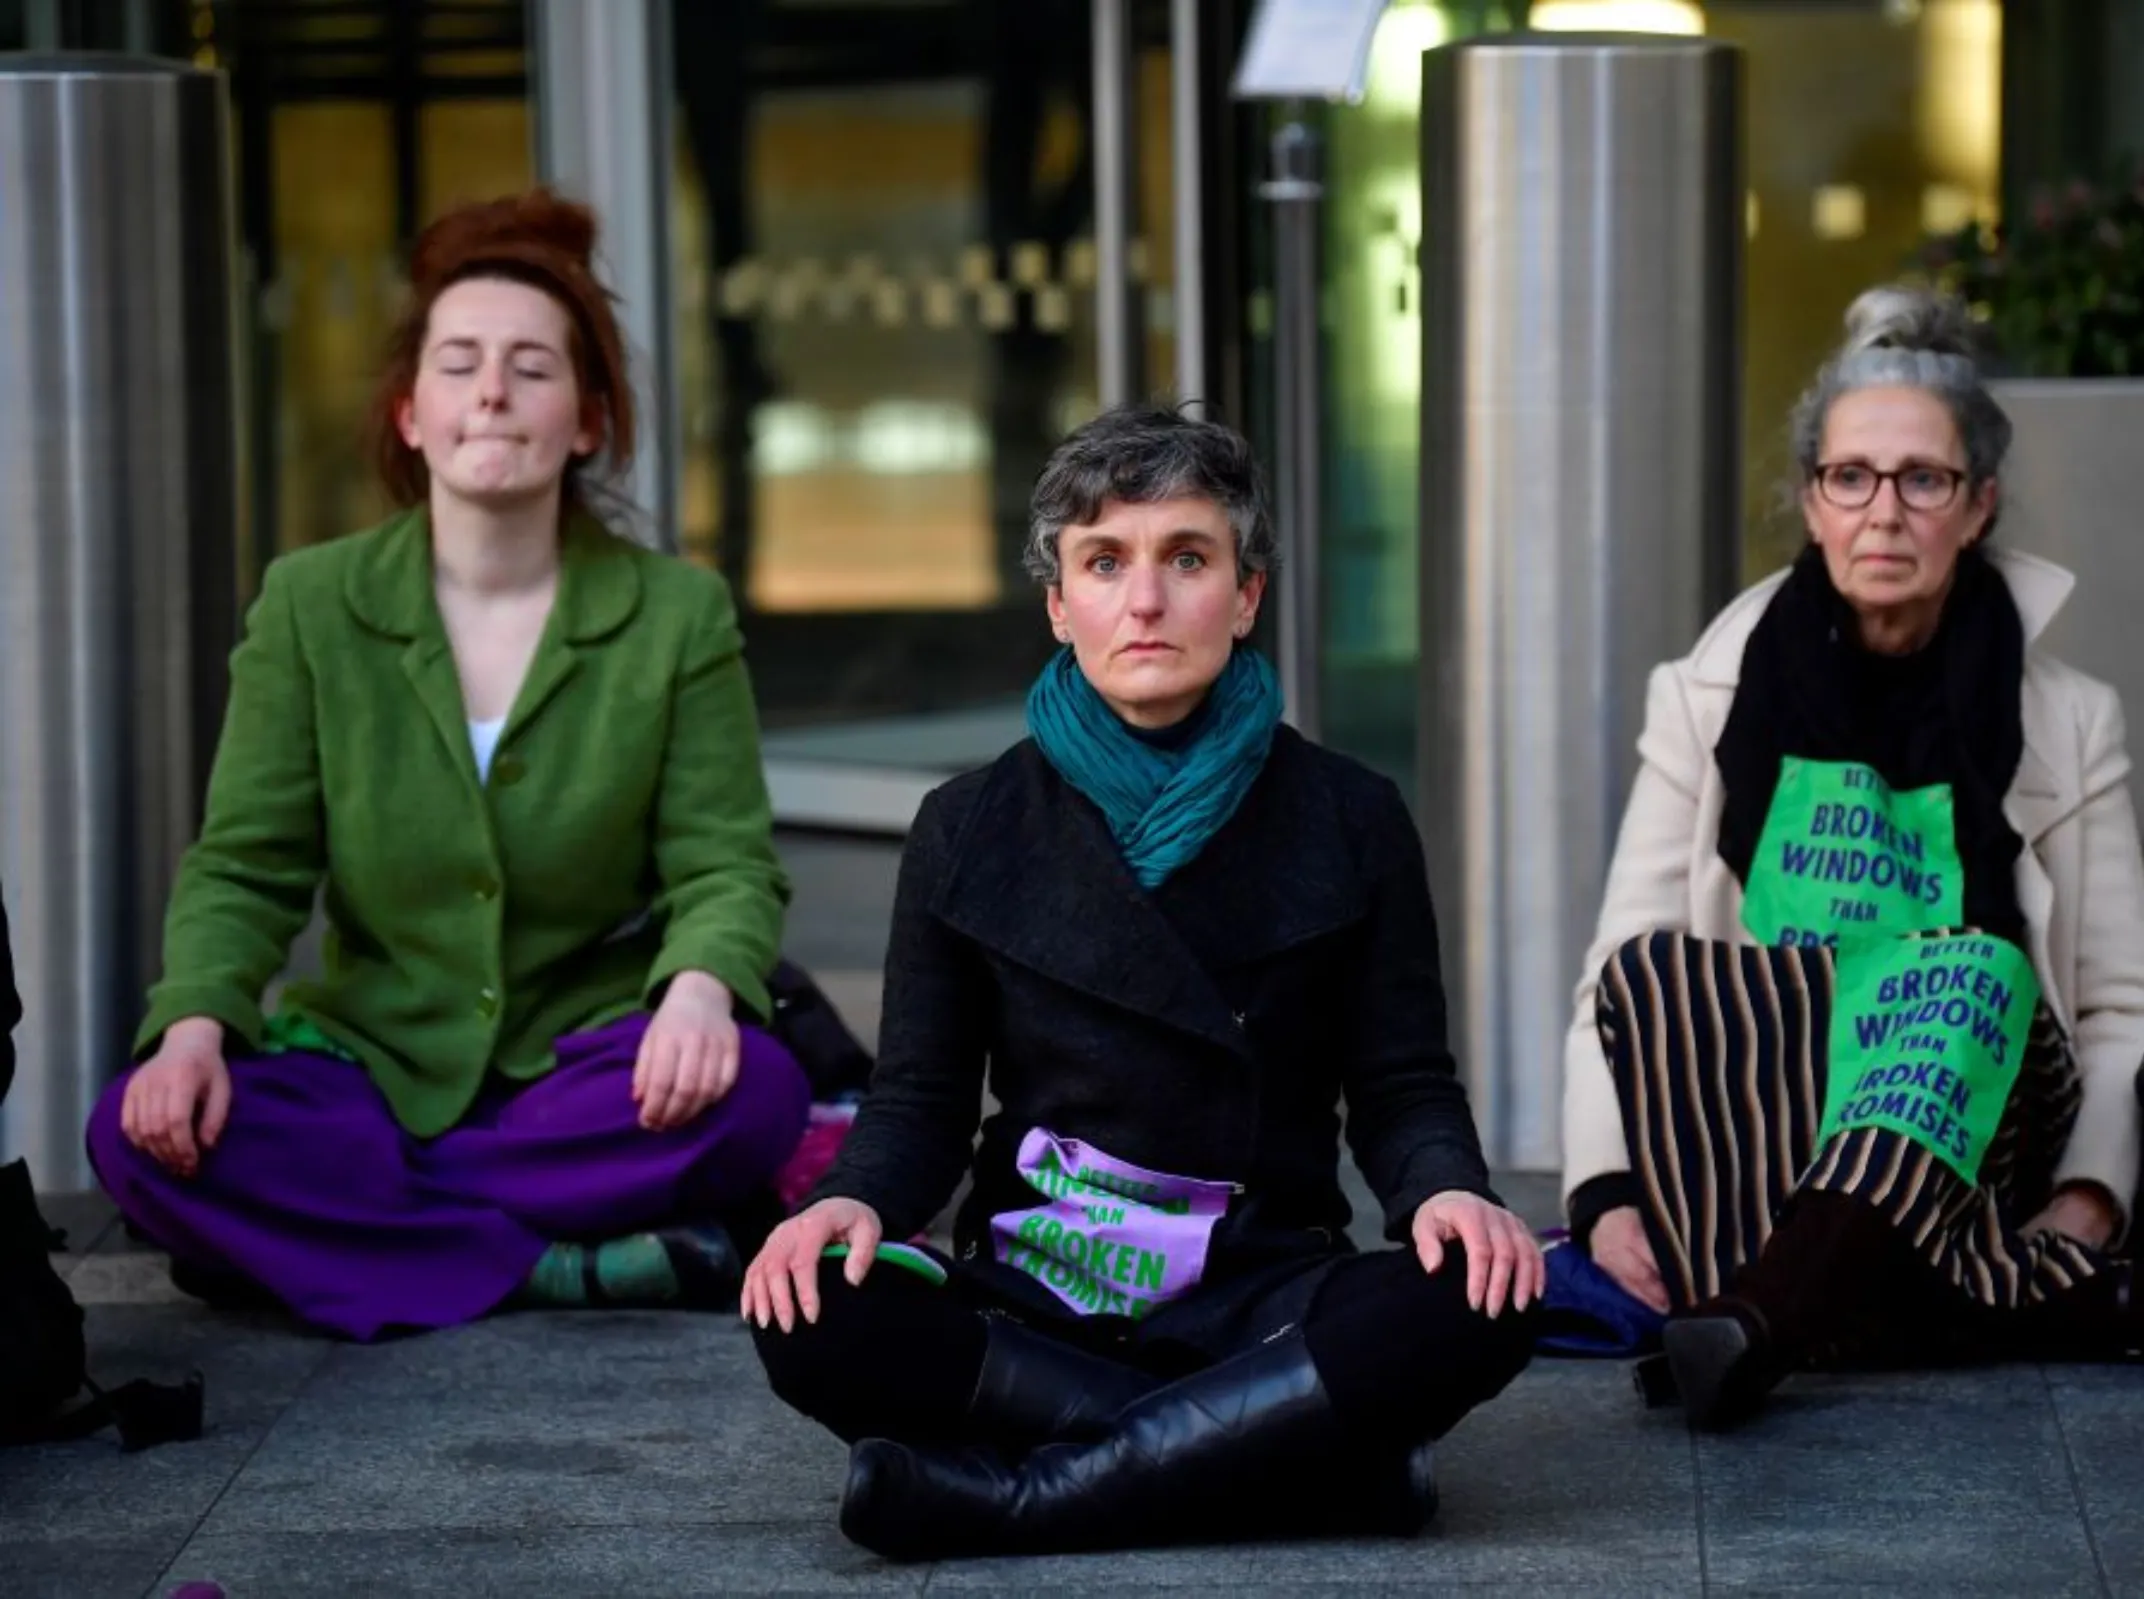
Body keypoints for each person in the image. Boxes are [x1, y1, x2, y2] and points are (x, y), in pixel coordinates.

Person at [742, 404, 1538, 1562]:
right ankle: (1316, 1471)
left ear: (1248, 593)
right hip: (1040, 1288)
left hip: (1262, 1288)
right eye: (1105, 563)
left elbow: (1403, 1083)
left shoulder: (1349, 815)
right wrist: (849, 1202)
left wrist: (1447, 1194)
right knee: (816, 1309)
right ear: (1060, 605)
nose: (1147, 601)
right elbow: (920, 1101)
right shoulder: (967, 826)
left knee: (1483, 1295)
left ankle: (1028, 1499)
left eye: (1188, 559)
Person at [84, 191, 806, 1343]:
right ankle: (563, 1266)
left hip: (578, 1066)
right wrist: (195, 1027)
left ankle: (347, 1249)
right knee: (137, 1131)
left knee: (757, 1094)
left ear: (585, 421)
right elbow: (246, 864)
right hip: (368, 1065)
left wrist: (700, 992)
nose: (491, 392)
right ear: (410, 411)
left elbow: (724, 861)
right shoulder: (311, 604)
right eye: (459, 362)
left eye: (532, 368)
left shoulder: (676, 613)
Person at [1558, 285, 2144, 1430]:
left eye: (1922, 480)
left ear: (1978, 506)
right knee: (1650, 971)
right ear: (1811, 502)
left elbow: (2130, 1003)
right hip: (1757, 1135)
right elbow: (1617, 973)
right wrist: (1602, 1197)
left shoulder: (2069, 718)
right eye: (1851, 479)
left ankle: (1770, 1319)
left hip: (1975, 1142)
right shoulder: (1704, 700)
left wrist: (2086, 1200)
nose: (1884, 513)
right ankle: (2023, 1307)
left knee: (1964, 972)